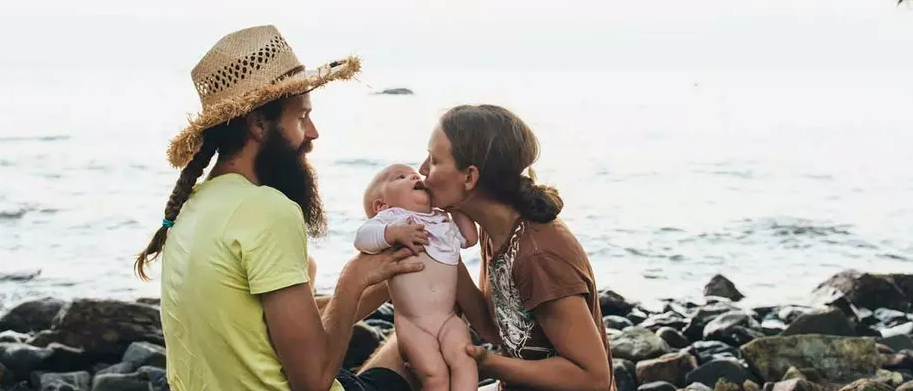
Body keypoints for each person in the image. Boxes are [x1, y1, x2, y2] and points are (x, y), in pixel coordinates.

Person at [134, 25, 424, 391]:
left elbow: (271, 326)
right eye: (301, 118)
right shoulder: (267, 209)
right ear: (258, 125)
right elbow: (313, 382)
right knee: (410, 348)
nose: (314, 132)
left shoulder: (195, 205)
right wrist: (355, 276)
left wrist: (383, 281)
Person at [417, 104, 614, 391]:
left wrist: (489, 364)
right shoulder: (496, 230)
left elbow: (593, 378)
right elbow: (495, 328)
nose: (422, 170)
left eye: (434, 161)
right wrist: (442, 250)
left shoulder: (538, 256)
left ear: (470, 177)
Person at [356, 164, 480, 391]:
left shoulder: (441, 220)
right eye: (400, 177)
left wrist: (457, 209)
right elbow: (362, 239)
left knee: (464, 361)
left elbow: (470, 239)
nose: (414, 175)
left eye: (413, 174)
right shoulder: (391, 220)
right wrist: (392, 233)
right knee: (435, 375)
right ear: (381, 205)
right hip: (414, 325)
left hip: (448, 318)